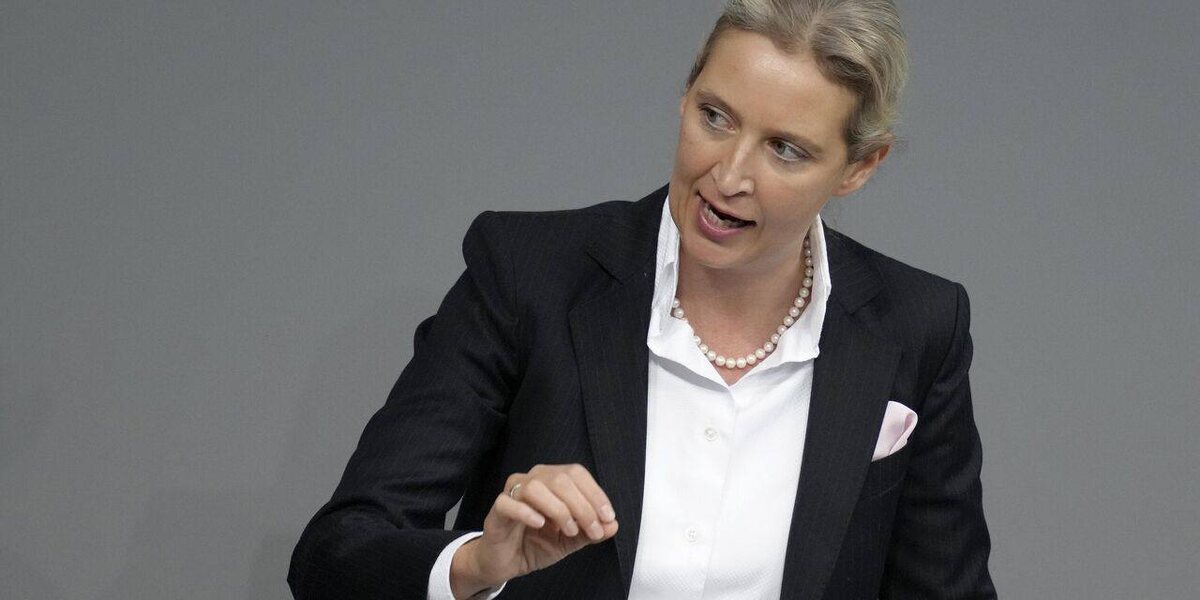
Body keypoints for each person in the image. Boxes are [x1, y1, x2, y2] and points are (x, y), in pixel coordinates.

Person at [288, 1, 997, 598]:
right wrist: (475, 564)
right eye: (715, 117)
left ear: (860, 167)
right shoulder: (528, 275)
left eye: (785, 149)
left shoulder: (919, 326)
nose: (729, 175)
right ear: (685, 94)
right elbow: (334, 556)